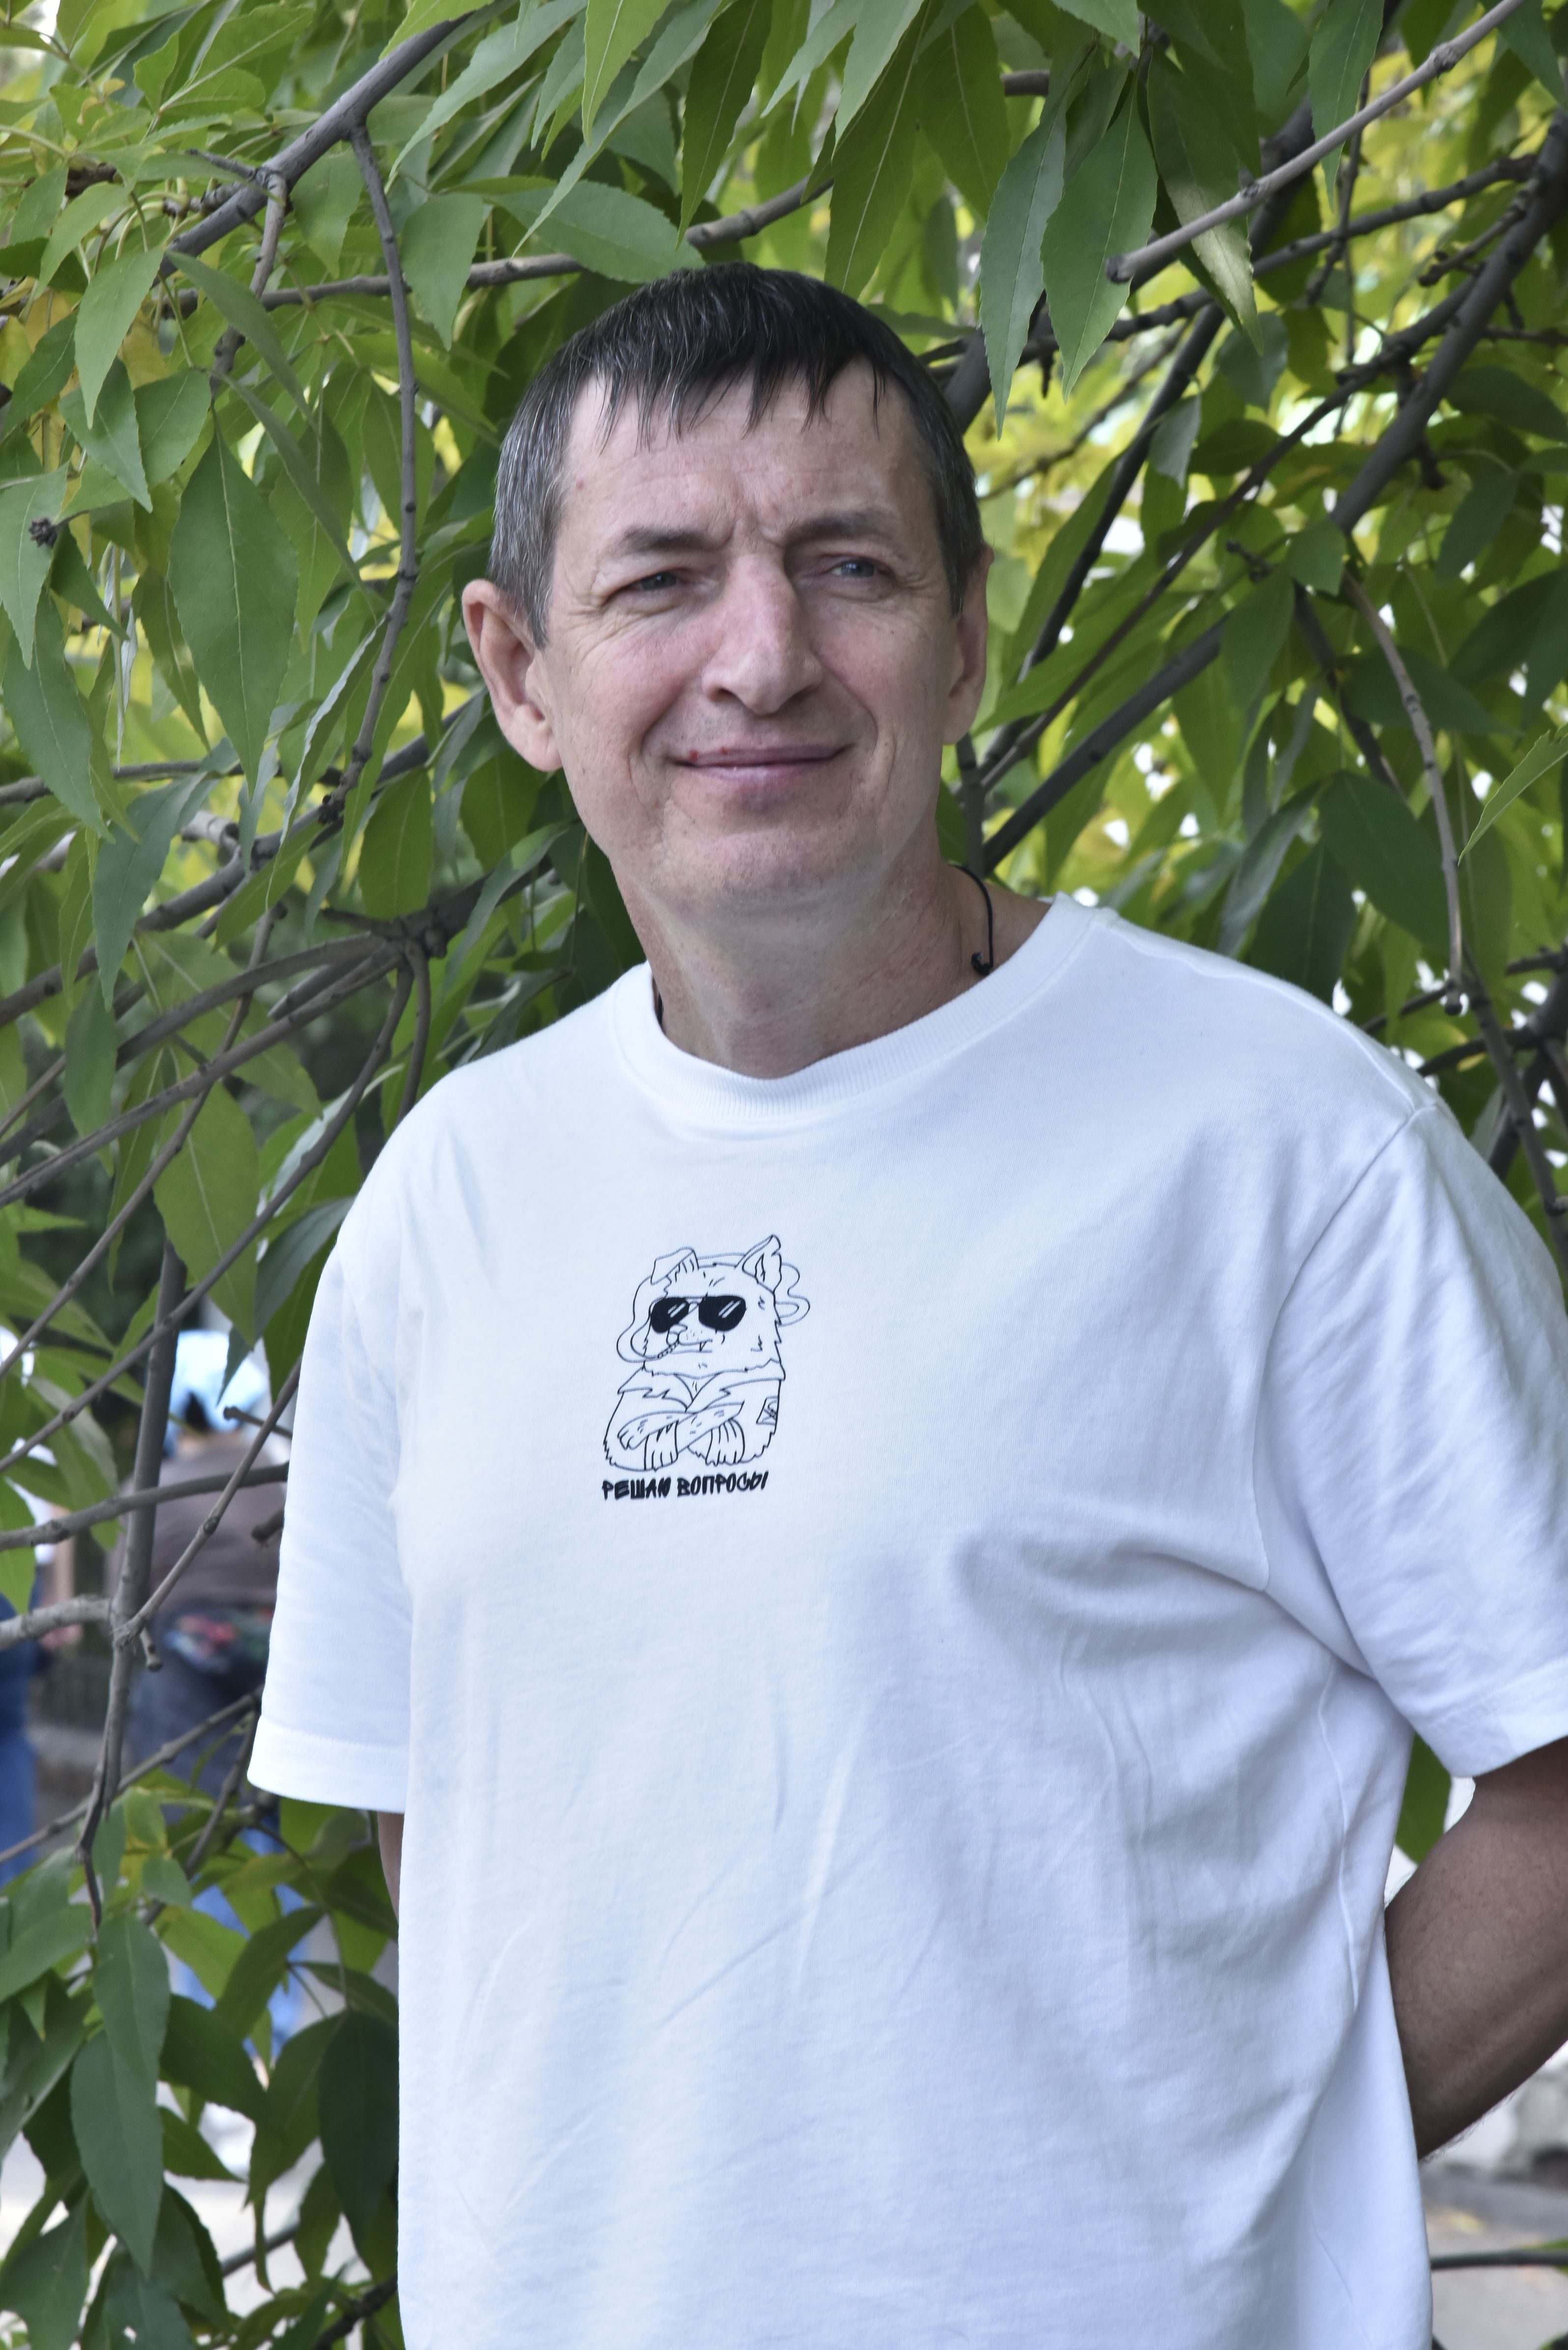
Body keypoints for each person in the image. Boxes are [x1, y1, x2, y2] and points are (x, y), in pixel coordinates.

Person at [252, 267, 1568, 2350]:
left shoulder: (1282, 1146)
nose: (760, 657)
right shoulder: (449, 1202)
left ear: (963, 638)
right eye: (660, 579)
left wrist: (1235, 2192)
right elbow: (464, 1833)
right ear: (519, 672)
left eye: (847, 566)